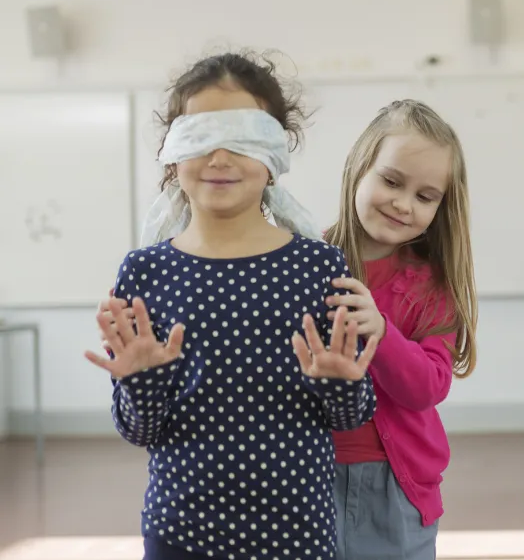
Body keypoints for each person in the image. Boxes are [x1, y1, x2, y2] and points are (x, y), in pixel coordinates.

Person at [84, 51, 379, 560]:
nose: (220, 158)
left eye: (241, 138)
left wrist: (340, 382)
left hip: (297, 529)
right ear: (173, 155)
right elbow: (138, 430)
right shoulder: (144, 272)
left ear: (275, 153)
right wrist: (139, 384)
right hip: (181, 529)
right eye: (201, 138)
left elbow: (349, 417)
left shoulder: (320, 267)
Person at [325, 100, 478, 560]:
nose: (402, 204)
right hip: (310, 476)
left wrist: (381, 332)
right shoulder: (307, 265)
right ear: (359, 167)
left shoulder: (431, 285)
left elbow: (427, 386)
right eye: (391, 181)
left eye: (425, 196)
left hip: (398, 488)